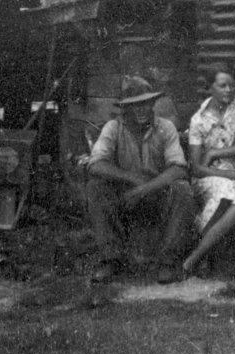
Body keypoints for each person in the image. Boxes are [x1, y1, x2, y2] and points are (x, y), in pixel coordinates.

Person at [79, 75, 196, 284]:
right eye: (135, 105)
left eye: (146, 103)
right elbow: (95, 164)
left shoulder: (165, 127)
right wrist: (131, 179)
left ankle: (168, 261)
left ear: (153, 104)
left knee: (183, 189)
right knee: (95, 187)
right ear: (126, 108)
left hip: (156, 193)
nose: (141, 109)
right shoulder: (113, 128)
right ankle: (111, 259)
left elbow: (178, 169)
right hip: (124, 195)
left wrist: (143, 189)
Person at [182, 63, 235, 276]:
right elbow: (196, 168)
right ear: (210, 87)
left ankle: (195, 257)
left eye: (232, 86)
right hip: (208, 178)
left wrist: (214, 153)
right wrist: (229, 174)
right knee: (228, 192)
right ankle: (205, 255)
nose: (228, 91)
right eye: (222, 86)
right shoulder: (198, 120)